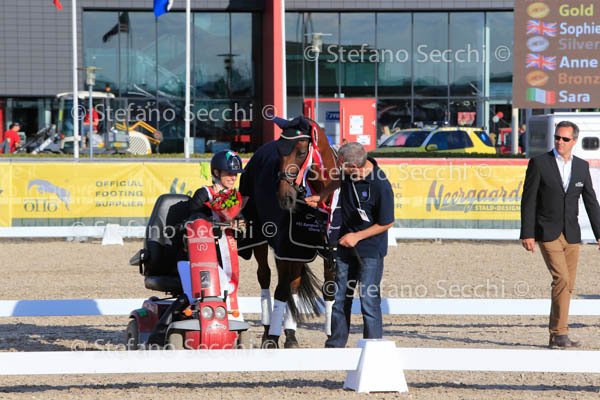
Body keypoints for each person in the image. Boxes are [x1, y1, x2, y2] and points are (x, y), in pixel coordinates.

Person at [520, 120, 600, 349]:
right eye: (557, 137)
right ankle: (560, 333)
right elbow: (528, 201)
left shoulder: (581, 167)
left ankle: (556, 335)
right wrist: (527, 233)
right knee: (562, 279)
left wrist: (599, 233)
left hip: (572, 234)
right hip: (547, 231)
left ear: (574, 141)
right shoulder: (539, 163)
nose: (560, 142)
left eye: (565, 139)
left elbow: (591, 201)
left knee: (568, 285)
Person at [306, 142, 394, 348]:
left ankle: (372, 346)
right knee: (340, 297)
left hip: (370, 250)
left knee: (368, 300)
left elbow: (387, 222)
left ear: (353, 166)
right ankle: (336, 345)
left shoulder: (380, 185)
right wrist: (322, 195)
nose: (338, 168)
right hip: (345, 247)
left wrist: (357, 236)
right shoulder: (348, 174)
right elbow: (336, 180)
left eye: (340, 164)